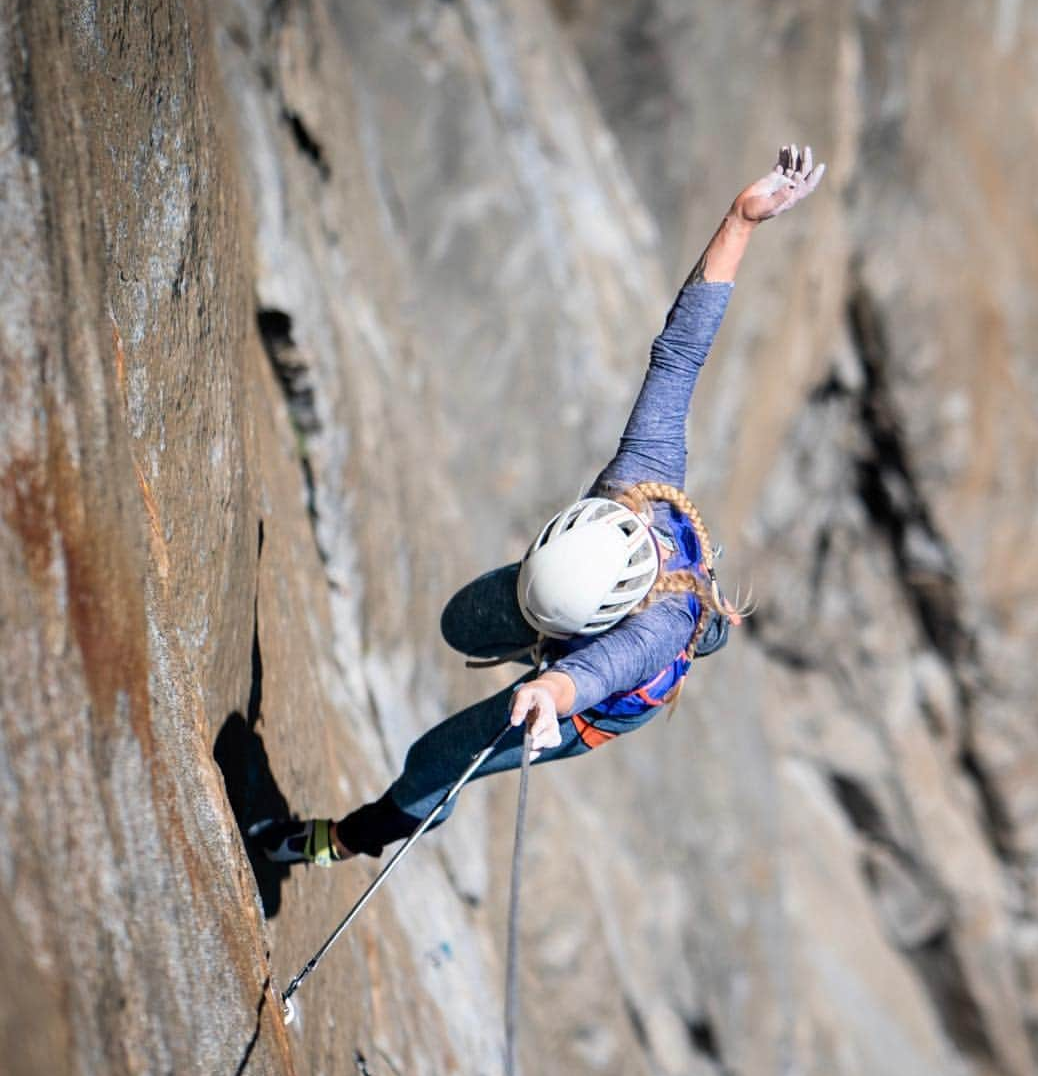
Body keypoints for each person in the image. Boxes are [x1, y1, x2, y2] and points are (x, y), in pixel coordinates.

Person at [253, 145, 825, 867]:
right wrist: (740, 220)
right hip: (590, 608)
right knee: (463, 623)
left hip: (602, 697)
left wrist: (551, 693)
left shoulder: (652, 632)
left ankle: (340, 841)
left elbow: (604, 668)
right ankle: (614, 619)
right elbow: (678, 354)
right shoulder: (637, 477)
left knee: (438, 755)